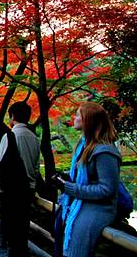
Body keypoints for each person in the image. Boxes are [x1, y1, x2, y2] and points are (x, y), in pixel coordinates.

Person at [53, 102, 121, 257]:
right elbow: (80, 177)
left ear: (88, 120)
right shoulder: (82, 145)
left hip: (97, 208)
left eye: (78, 115)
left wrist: (69, 187)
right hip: (77, 203)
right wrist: (65, 180)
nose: (74, 118)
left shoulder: (104, 151)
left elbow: (107, 189)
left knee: (76, 241)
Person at [0, 102, 40, 257]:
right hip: (27, 190)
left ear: (12, 116)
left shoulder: (9, 136)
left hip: (11, 191)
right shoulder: (34, 138)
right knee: (22, 229)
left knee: (12, 231)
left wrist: (0, 187)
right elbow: (35, 168)